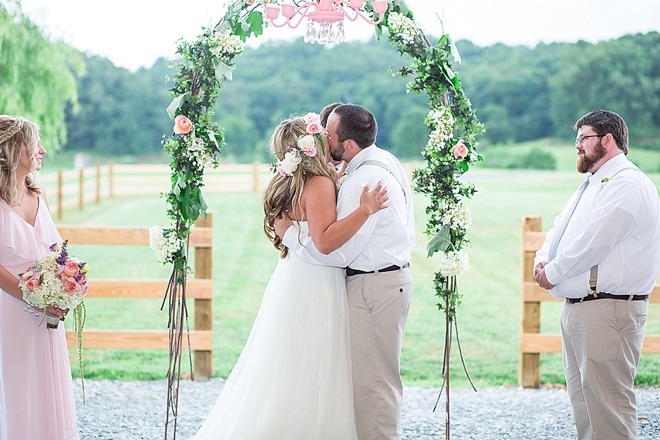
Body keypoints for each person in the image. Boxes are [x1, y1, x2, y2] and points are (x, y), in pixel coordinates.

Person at [192, 114, 388, 439]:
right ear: (312, 146)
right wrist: (365, 209)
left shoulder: (293, 181)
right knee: (314, 364)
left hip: (292, 277)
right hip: (316, 282)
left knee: (288, 363)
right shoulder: (320, 184)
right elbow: (324, 241)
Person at [275, 103, 415, 440]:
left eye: (329, 135)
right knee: (372, 380)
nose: (323, 138)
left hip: (373, 287)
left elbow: (338, 253)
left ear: (348, 145)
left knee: (372, 386)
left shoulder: (361, 182)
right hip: (387, 281)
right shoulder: (381, 162)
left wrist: (292, 237)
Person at [534, 110, 660, 440]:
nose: (577, 146)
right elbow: (561, 228)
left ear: (608, 140)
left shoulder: (627, 185)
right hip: (582, 308)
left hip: (609, 311)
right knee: (586, 409)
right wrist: (542, 259)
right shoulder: (592, 183)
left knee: (610, 412)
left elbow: (593, 243)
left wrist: (554, 273)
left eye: (583, 139)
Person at [0, 115, 79, 439]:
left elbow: (56, 251)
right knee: (16, 383)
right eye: (36, 144)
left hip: (46, 312)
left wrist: (66, 286)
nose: (43, 150)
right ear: (15, 150)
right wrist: (32, 296)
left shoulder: (38, 195)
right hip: (9, 311)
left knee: (47, 382)